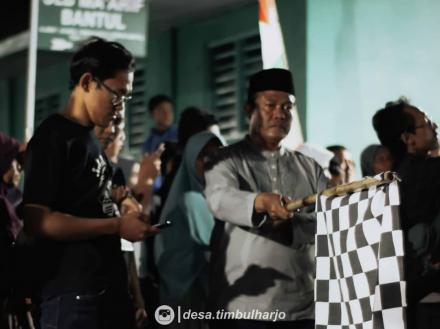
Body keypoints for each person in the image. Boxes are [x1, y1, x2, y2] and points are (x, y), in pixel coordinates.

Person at [23, 37, 159, 329]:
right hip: (73, 296)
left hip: (106, 290)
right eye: (117, 95)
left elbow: (93, 203)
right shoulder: (53, 137)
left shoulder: (89, 141)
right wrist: (116, 226)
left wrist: (125, 208)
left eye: (126, 98)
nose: (121, 108)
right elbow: (38, 221)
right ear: (87, 82)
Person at [204, 68, 328, 329]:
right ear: (249, 110)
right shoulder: (225, 159)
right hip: (244, 308)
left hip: (302, 307)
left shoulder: (310, 168)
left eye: (287, 107)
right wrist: (260, 201)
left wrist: (293, 227)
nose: (280, 113)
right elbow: (220, 199)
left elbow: (329, 222)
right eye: (270, 105)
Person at [372, 97, 440, 328]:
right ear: (407, 138)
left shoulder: (395, 179)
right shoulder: (428, 175)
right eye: (428, 123)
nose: (435, 127)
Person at [154, 132, 224, 321]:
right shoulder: (188, 201)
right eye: (202, 156)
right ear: (191, 160)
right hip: (189, 298)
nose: (210, 161)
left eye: (216, 155)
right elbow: (215, 245)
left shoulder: (224, 199)